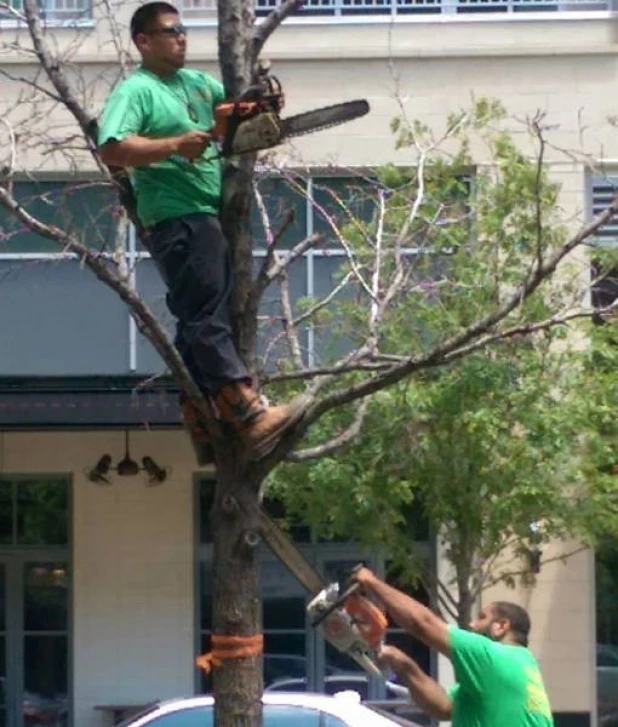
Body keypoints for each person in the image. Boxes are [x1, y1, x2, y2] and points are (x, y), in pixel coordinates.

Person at [97, 2, 306, 460]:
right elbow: (112, 147)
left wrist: (254, 108)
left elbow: (230, 116)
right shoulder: (138, 90)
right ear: (144, 41)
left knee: (198, 313)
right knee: (208, 314)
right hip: (177, 214)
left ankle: (202, 420)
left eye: (183, 30)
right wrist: (174, 144)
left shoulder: (196, 84)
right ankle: (247, 413)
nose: (180, 38)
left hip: (204, 211)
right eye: (170, 31)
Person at [352, 567, 554, 727]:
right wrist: (402, 663)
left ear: (501, 626)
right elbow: (445, 707)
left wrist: (371, 581)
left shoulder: (494, 657)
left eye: (482, 618)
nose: (473, 625)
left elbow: (422, 625)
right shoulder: (522, 665)